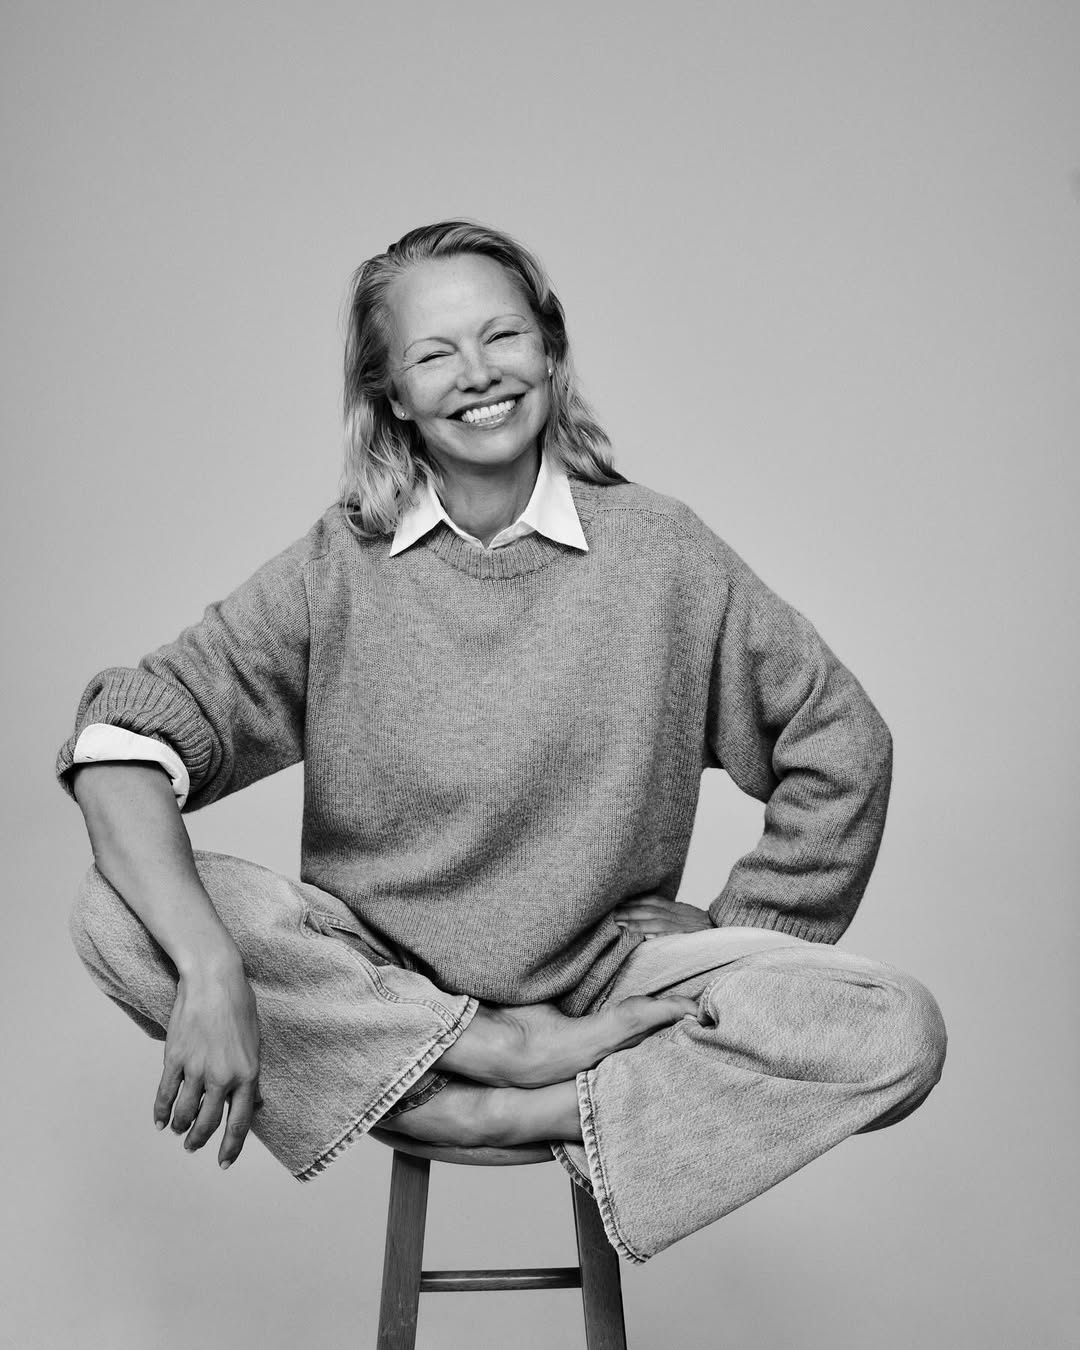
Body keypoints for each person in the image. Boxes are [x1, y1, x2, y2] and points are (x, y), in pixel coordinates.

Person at [58, 220, 946, 1264]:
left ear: (550, 349)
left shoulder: (661, 553)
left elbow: (840, 743)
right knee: (118, 910)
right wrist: (211, 965)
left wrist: (746, 923)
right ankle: (490, 1062)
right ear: (391, 392)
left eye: (503, 337)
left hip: (608, 990)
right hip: (381, 986)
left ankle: (532, 1106)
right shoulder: (338, 567)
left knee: (894, 1024)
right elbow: (123, 735)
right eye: (435, 354)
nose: (478, 375)